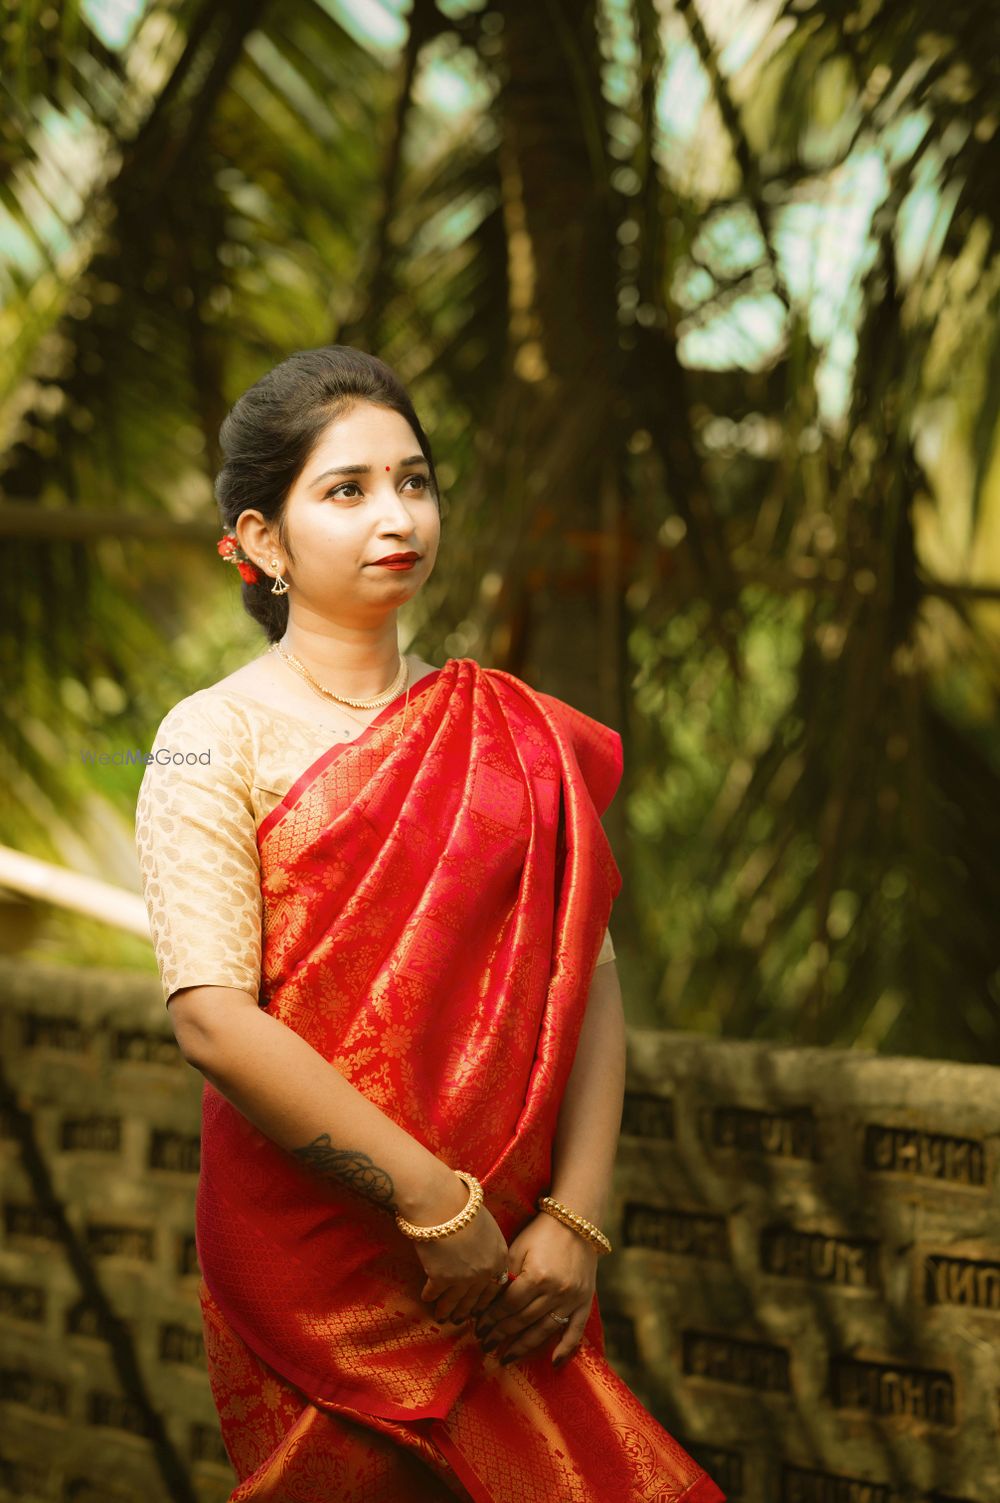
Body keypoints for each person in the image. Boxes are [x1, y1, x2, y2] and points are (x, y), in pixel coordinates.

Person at [134, 345, 726, 1503]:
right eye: (344, 490)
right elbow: (210, 1018)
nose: (394, 513)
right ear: (261, 541)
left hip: (514, 1270)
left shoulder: (513, 732)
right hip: (319, 1262)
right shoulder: (211, 737)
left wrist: (573, 1224)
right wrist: (427, 1200)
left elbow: (585, 984)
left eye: (412, 480)